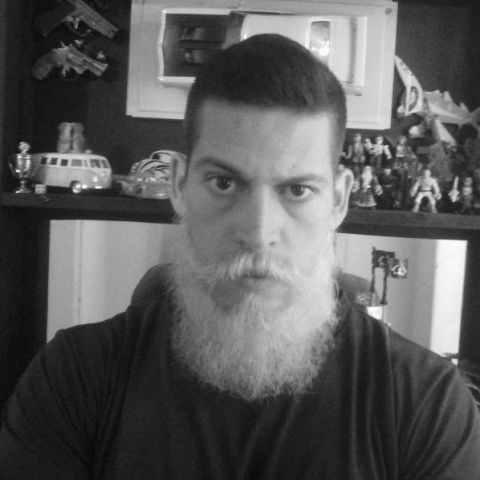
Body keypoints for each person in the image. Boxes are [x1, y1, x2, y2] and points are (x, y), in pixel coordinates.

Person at [1, 34, 480, 479]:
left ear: (338, 200)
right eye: (225, 183)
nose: (257, 233)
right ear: (178, 186)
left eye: (297, 190)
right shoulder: (75, 377)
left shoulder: (425, 402)